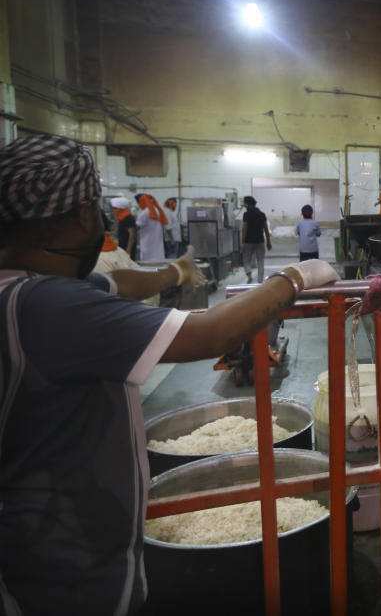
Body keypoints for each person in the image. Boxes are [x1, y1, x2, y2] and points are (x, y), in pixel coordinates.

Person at [0, 134, 339, 616]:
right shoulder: (47, 306)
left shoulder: (24, 289)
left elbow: (116, 282)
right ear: (82, 216)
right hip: (62, 566)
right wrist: (295, 279)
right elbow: (211, 334)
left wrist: (175, 274)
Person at [241, 195, 272, 283]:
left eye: (244, 203)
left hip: (248, 242)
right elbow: (266, 229)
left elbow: (244, 229)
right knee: (260, 261)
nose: (244, 205)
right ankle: (260, 282)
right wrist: (268, 242)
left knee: (246, 260)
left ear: (247, 204)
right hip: (260, 241)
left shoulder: (246, 214)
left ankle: (249, 275)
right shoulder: (262, 214)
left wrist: (242, 242)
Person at [135, 193, 166, 261]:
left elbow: (136, 227)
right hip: (156, 242)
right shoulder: (156, 210)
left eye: (138, 202)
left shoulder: (144, 213)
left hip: (148, 242)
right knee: (157, 259)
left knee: (148, 262)